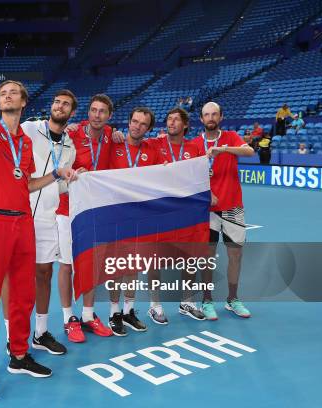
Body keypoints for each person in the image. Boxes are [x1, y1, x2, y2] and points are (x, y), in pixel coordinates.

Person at [0, 37, 76, 401]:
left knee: (23, 295)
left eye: (14, 93)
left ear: (24, 102)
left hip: (23, 222)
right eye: (3, 93)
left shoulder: (25, 143)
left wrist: (58, 175)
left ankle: (20, 354)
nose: (7, 95)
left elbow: (27, 185)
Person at [0, 89, 79, 356]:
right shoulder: (30, 128)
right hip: (18, 214)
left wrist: (76, 181)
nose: (60, 106)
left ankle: (40, 332)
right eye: (57, 102)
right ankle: (12, 337)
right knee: (12, 276)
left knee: (44, 273)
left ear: (71, 113)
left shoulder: (70, 146)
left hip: (47, 217)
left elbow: (62, 186)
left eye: (66, 104)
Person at [56, 94, 116, 342]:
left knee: (92, 263)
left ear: (109, 116)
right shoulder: (72, 134)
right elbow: (57, 168)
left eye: (102, 111)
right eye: (93, 110)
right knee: (67, 265)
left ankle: (89, 316)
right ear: (87, 113)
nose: (97, 115)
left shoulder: (112, 135)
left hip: (94, 210)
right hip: (67, 209)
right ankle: (69, 318)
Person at [193, 102, 255, 321]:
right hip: (206, 210)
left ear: (221, 117)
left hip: (233, 208)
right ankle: (207, 300)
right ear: (201, 119)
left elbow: (250, 151)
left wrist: (224, 149)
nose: (210, 117)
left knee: (235, 255)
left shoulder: (230, 137)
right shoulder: (194, 144)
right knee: (207, 257)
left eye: (214, 114)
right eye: (206, 114)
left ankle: (232, 299)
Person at [145, 107, 206, 324]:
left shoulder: (194, 148)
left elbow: (199, 178)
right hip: (159, 211)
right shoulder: (154, 144)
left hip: (185, 211)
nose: (171, 123)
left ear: (185, 125)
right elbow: (131, 141)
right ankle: (155, 305)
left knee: (190, 257)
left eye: (176, 120)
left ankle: (187, 301)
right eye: (169, 119)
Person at [106, 107, 160, 336]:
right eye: (134, 121)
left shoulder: (152, 150)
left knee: (133, 265)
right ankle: (113, 312)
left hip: (140, 218)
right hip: (115, 217)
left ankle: (129, 311)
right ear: (128, 122)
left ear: (148, 128)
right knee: (116, 266)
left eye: (143, 124)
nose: (137, 126)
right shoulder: (113, 143)